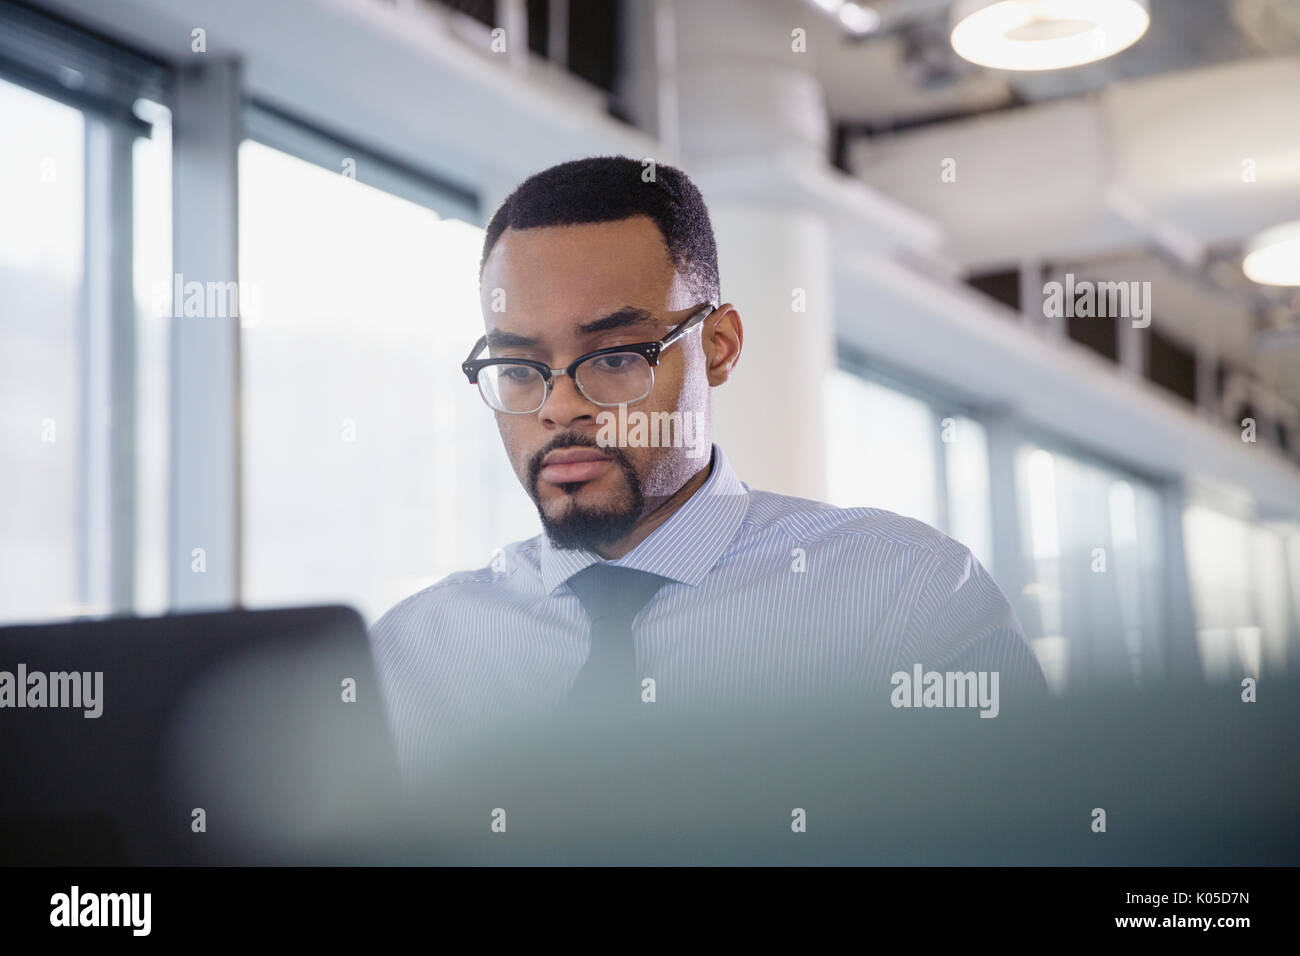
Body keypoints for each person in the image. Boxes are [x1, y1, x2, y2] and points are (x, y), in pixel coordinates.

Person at [371, 156, 1047, 780]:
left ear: (719, 347)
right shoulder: (407, 658)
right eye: (518, 369)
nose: (561, 407)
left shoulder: (905, 598)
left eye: (614, 358)